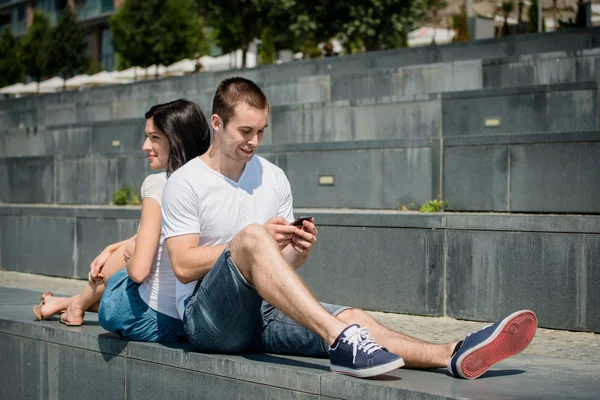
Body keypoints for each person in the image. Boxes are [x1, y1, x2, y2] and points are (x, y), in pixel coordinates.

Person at [161, 77, 538, 379]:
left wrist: (297, 249)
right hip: (208, 321)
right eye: (245, 131)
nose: (254, 142)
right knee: (253, 236)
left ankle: (452, 354)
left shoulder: (272, 177)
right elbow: (182, 265)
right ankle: (341, 341)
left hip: (263, 312)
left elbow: (280, 268)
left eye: (261, 131)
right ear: (216, 123)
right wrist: (247, 244)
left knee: (354, 319)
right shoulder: (186, 181)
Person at [33, 99, 211, 342]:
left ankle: (75, 308)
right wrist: (116, 246)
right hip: (195, 321)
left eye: (154, 137)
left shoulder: (159, 185)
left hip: (154, 322)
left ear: (177, 139)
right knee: (132, 249)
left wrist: (126, 250)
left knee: (130, 259)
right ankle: (67, 304)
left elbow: (138, 272)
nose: (144, 146)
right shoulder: (212, 184)